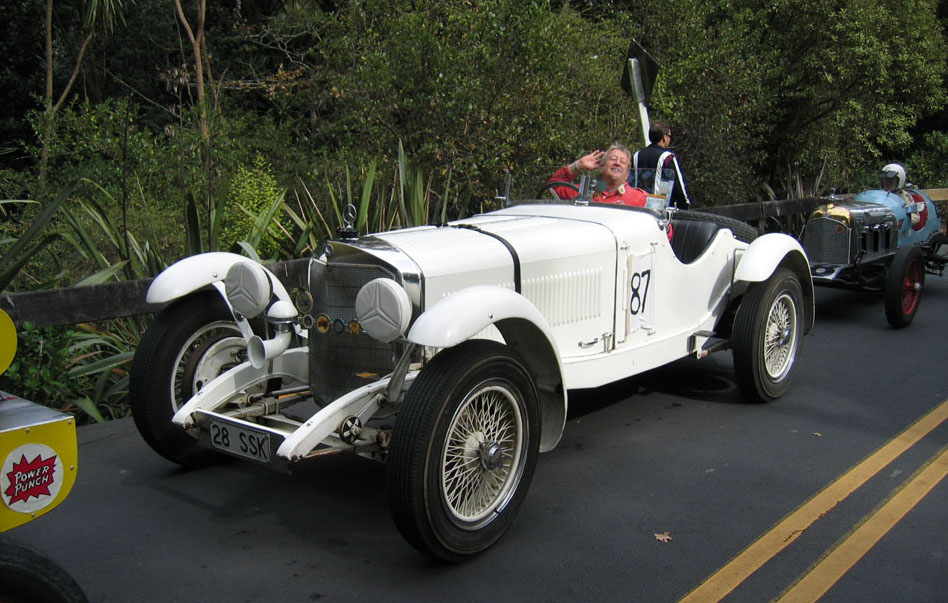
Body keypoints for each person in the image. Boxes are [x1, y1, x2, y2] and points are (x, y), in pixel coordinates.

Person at [546, 144, 648, 206]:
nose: (617, 163)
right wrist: (578, 165)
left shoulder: (639, 198)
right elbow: (553, 187)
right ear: (601, 167)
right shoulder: (584, 192)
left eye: (622, 162)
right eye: (613, 159)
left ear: (627, 174)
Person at [630, 122, 690, 208]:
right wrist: (685, 205)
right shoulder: (667, 157)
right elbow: (678, 186)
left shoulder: (636, 155)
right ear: (664, 138)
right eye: (670, 136)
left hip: (638, 208)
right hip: (659, 209)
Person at [881, 162, 926, 228]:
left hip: (899, 230)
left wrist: (899, 220)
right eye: (886, 180)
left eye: (891, 181)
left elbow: (915, 217)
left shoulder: (906, 197)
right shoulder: (880, 195)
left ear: (899, 181)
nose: (888, 183)